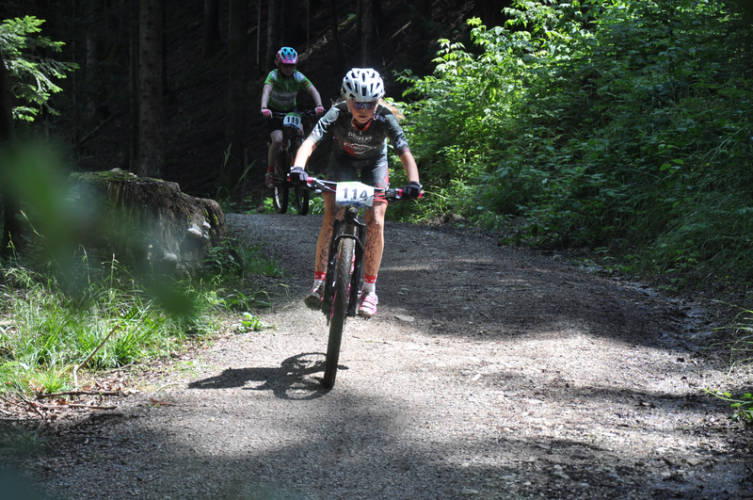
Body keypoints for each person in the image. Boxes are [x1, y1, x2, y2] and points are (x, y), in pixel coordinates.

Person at [290, 68, 422, 318]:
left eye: (370, 103)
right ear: (347, 100)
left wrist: (413, 182)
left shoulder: (385, 118)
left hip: (375, 164)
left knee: (376, 219)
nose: (363, 109)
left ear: (378, 101)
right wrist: (298, 168)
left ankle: (369, 290)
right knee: (333, 215)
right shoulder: (337, 112)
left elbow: (404, 152)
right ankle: (319, 284)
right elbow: (311, 141)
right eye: (357, 103)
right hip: (342, 161)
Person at [261, 47, 325, 189]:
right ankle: (270, 172)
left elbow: (313, 90)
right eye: (285, 65)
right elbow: (266, 91)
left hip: (291, 110)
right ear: (279, 65)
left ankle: (298, 166)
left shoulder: (298, 76)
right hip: (274, 111)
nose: (289, 68)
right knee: (278, 140)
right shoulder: (274, 76)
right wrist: (264, 108)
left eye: (291, 65)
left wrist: (319, 105)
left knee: (299, 134)